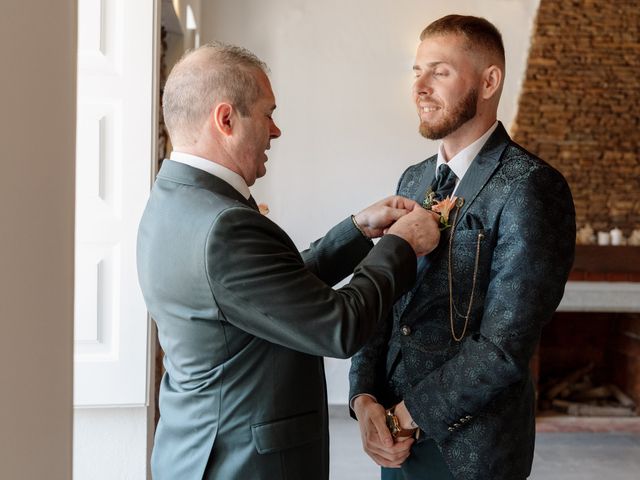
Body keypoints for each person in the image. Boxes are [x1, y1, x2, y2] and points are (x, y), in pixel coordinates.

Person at [136, 42, 441, 480]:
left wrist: (356, 230)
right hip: (243, 462)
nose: (275, 131)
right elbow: (339, 326)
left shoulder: (175, 199)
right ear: (226, 119)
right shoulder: (223, 225)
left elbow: (271, 294)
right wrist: (401, 245)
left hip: (197, 446)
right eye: (268, 114)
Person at [349, 15, 576, 480]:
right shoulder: (412, 179)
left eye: (440, 71)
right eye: (417, 72)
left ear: (489, 81)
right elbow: (384, 300)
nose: (420, 87)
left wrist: (405, 417)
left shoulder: (533, 188)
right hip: (393, 439)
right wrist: (364, 398)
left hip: (471, 452)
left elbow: (504, 347)